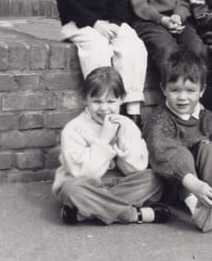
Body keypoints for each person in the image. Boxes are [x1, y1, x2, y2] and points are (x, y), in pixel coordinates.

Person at [143, 49, 212, 232]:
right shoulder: (160, 119)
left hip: (204, 187)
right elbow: (164, 156)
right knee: (180, 152)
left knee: (210, 147)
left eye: (190, 91)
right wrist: (195, 186)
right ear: (163, 89)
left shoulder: (205, 116)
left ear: (202, 91)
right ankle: (197, 210)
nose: (182, 97)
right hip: (174, 185)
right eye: (175, 90)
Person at [53, 67, 169, 225]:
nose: (104, 108)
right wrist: (103, 140)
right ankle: (133, 215)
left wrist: (122, 137)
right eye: (97, 101)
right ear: (85, 99)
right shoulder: (73, 129)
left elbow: (136, 168)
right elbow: (84, 174)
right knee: (71, 190)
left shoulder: (127, 125)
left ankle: (86, 212)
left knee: (154, 179)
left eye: (111, 101)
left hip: (120, 184)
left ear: (122, 99)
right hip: (87, 185)